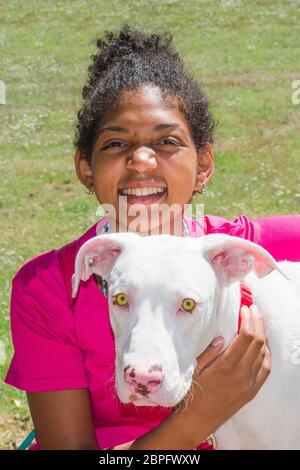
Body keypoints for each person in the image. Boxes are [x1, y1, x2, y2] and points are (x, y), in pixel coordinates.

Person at [4, 25, 300, 450]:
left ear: (203, 165)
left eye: (166, 141)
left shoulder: (233, 248)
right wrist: (199, 416)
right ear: (86, 168)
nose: (141, 160)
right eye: (116, 142)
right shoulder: (49, 287)